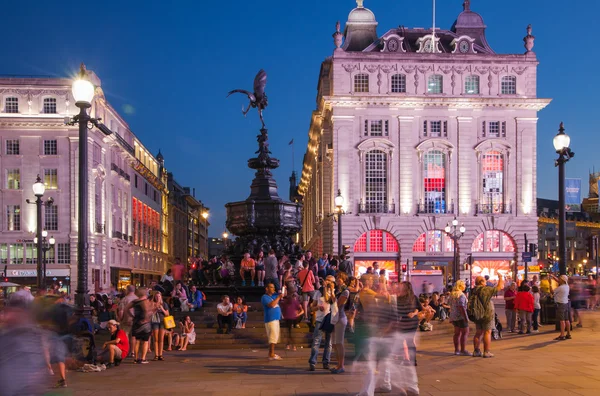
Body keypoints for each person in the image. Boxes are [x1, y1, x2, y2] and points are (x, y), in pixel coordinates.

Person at [471, 275, 504, 358]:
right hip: (487, 313)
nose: (486, 282)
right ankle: (486, 351)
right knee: (487, 332)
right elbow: (499, 287)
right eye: (485, 280)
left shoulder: (474, 290)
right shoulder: (485, 289)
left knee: (478, 332)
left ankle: (476, 351)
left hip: (478, 313)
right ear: (481, 282)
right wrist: (500, 277)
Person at [308, 282, 332, 371]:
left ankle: (326, 361)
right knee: (316, 341)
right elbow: (312, 307)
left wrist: (327, 290)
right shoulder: (318, 292)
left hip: (330, 320)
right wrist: (317, 307)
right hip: (320, 319)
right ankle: (312, 362)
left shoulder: (333, 292)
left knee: (329, 342)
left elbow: (328, 299)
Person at [127, 287, 153, 364]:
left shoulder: (135, 301)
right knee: (145, 341)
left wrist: (131, 316)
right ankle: (143, 358)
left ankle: (136, 358)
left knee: (137, 340)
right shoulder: (146, 301)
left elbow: (126, 308)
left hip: (136, 321)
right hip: (145, 323)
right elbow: (148, 311)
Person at [330, 273, 350, 374]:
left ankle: (341, 365)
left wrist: (333, 295)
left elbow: (337, 304)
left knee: (339, 343)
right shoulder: (338, 291)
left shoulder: (345, 291)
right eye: (337, 278)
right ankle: (338, 364)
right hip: (334, 318)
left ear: (344, 280)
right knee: (334, 343)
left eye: (340, 279)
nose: (337, 280)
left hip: (340, 318)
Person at [261, 281, 282, 360]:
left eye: (273, 287)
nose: (273, 289)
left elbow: (283, 295)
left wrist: (283, 290)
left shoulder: (274, 296)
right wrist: (278, 297)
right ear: (267, 288)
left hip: (276, 319)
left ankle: (272, 353)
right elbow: (271, 305)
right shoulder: (264, 297)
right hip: (270, 319)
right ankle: (271, 354)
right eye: (271, 287)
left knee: (275, 337)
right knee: (272, 337)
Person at [449, 280, 470, 356]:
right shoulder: (461, 295)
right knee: (465, 332)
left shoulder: (452, 294)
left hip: (454, 316)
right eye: (464, 285)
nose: (465, 286)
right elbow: (461, 306)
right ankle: (463, 350)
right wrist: (465, 317)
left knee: (457, 333)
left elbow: (450, 304)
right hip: (461, 316)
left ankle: (456, 350)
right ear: (460, 286)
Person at [117, 284, 137, 357]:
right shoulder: (137, 299)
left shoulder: (124, 299)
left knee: (125, 336)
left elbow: (121, 311)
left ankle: (126, 351)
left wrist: (120, 319)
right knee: (133, 336)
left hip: (126, 320)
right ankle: (133, 352)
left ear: (127, 290)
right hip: (136, 320)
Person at [150, 291, 169, 361]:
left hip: (162, 322)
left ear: (161, 297)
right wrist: (155, 309)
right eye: (156, 296)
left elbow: (167, 314)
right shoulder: (153, 304)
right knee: (156, 339)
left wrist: (162, 309)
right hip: (155, 322)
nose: (158, 298)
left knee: (161, 339)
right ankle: (156, 355)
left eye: (159, 296)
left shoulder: (164, 304)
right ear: (154, 297)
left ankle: (160, 355)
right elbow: (150, 313)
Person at [551, 274, 571, 341]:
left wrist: (550, 284)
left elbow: (552, 292)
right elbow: (560, 281)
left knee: (562, 320)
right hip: (566, 303)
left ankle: (562, 335)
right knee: (567, 319)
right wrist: (554, 277)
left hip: (560, 304)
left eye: (559, 279)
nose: (558, 280)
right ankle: (568, 334)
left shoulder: (560, 288)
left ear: (562, 280)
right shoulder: (567, 286)